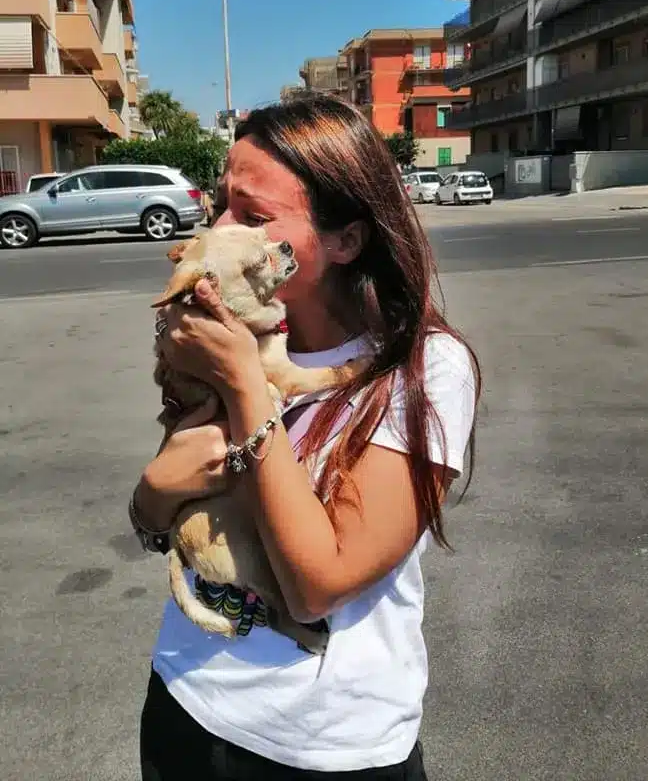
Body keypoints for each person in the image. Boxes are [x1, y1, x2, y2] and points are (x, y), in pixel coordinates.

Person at [131, 93, 479, 780]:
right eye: (222, 205)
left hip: (325, 748)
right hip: (184, 702)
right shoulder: (220, 339)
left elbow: (318, 586)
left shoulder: (421, 371)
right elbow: (164, 514)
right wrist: (151, 496)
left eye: (255, 217)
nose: (223, 228)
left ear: (347, 240)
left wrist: (244, 387)